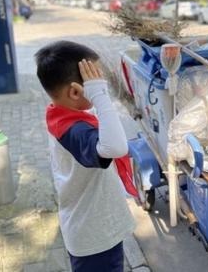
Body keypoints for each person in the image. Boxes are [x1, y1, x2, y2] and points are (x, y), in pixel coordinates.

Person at [35, 40, 135, 271]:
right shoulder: (74, 130)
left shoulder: (61, 115)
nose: (102, 86)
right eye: (96, 82)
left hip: (93, 227)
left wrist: (94, 94)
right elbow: (116, 148)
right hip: (94, 237)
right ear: (75, 91)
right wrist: (99, 96)